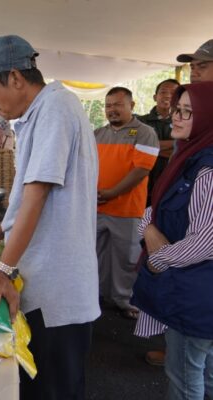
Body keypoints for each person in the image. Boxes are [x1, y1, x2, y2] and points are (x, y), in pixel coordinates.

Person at [0, 34, 100, 400]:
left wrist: (2, 270)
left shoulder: (56, 108)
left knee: (55, 389)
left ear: (16, 78)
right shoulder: (40, 113)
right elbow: (33, 201)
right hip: (46, 280)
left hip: (58, 292)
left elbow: (37, 195)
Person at [131, 81, 213, 400]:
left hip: (196, 295)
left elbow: (205, 242)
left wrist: (158, 258)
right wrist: (149, 229)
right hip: (193, 289)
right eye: (177, 109)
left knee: (184, 374)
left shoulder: (206, 170)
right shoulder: (189, 158)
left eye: (188, 112)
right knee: (203, 372)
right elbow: (154, 208)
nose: (175, 117)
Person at [95, 87, 159, 320]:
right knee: (96, 254)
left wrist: (112, 192)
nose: (112, 110)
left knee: (126, 258)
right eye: (108, 105)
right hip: (97, 207)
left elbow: (141, 170)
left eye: (118, 105)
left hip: (127, 209)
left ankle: (125, 299)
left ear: (131, 106)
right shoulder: (98, 134)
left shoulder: (145, 132)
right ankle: (99, 295)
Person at [137, 79, 180, 206]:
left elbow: (186, 151)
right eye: (163, 92)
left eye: (173, 93)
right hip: (143, 184)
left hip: (172, 185)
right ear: (155, 97)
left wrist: (149, 150)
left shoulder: (185, 121)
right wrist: (175, 143)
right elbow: (136, 149)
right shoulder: (140, 121)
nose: (167, 96)